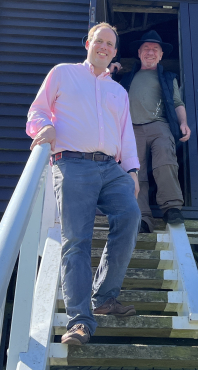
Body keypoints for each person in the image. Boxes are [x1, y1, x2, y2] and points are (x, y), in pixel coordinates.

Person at [26, 23, 141, 346]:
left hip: (110, 168)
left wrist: (132, 170)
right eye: (99, 41)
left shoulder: (118, 91)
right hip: (72, 163)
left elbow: (125, 134)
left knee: (130, 216)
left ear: (115, 52)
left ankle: (105, 296)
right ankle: (79, 321)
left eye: (110, 44)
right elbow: (37, 110)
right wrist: (45, 127)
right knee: (76, 239)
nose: (104, 47)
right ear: (88, 43)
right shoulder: (63, 73)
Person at [116, 30, 191, 233]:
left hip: (159, 126)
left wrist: (183, 123)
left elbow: (177, 102)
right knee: (134, 173)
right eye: (146, 49)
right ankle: (142, 218)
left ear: (161, 55)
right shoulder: (126, 78)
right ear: (139, 53)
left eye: (155, 49)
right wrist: (111, 70)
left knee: (166, 163)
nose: (150, 52)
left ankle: (172, 208)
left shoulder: (167, 77)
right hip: (131, 130)